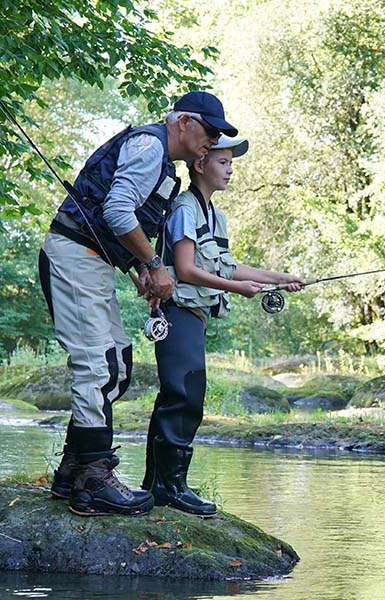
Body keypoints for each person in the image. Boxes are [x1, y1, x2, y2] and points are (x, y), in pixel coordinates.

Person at [38, 91, 238, 517]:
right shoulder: (150, 146)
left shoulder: (162, 160)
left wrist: (142, 270)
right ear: (183, 122)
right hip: (74, 256)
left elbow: (119, 222)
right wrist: (152, 262)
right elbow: (117, 211)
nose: (213, 140)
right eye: (209, 131)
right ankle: (93, 477)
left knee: (120, 364)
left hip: (94, 261)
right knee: (99, 364)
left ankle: (72, 470)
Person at [141, 136, 304, 516]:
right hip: (177, 311)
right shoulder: (184, 209)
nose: (230, 170)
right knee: (184, 394)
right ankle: (169, 486)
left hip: (194, 316)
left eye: (231, 164)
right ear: (201, 165)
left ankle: (161, 484)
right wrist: (238, 289)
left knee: (179, 394)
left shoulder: (215, 215)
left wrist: (280, 278)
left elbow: (228, 266)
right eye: (223, 162)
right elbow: (184, 269)